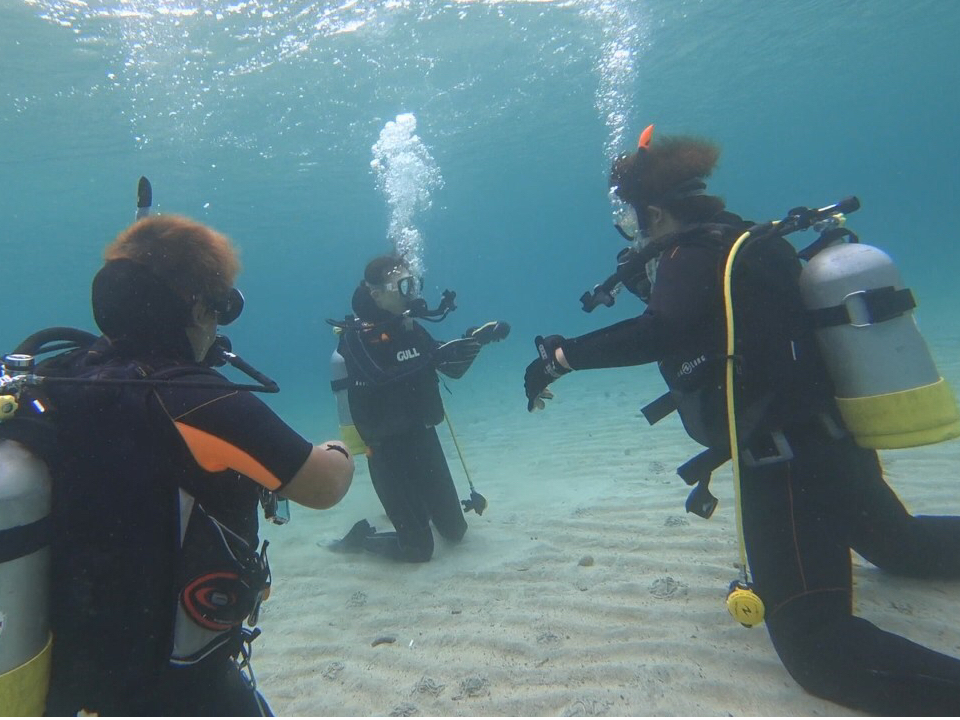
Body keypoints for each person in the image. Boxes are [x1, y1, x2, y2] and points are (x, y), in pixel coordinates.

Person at [522, 127, 960, 714]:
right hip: (834, 442)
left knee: (819, 650)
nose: (631, 234)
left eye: (630, 222)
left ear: (651, 211)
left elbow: (662, 331)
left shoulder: (690, 254)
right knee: (899, 546)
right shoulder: (744, 239)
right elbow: (715, 322)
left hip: (784, 466)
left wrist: (559, 358)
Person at [2, 215, 354, 716]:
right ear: (193, 304)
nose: (217, 322)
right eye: (220, 304)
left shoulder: (55, 377)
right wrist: (338, 450)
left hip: (76, 674)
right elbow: (323, 487)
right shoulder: (191, 398)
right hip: (171, 681)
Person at [331, 254, 509, 562]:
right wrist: (434, 356)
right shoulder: (355, 338)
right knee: (418, 550)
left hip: (423, 437)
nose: (412, 293)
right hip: (385, 450)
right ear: (376, 293)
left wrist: (474, 341)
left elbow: (443, 362)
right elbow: (378, 375)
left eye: (414, 284)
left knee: (455, 532)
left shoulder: (410, 327)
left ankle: (414, 508)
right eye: (403, 286)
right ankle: (363, 538)